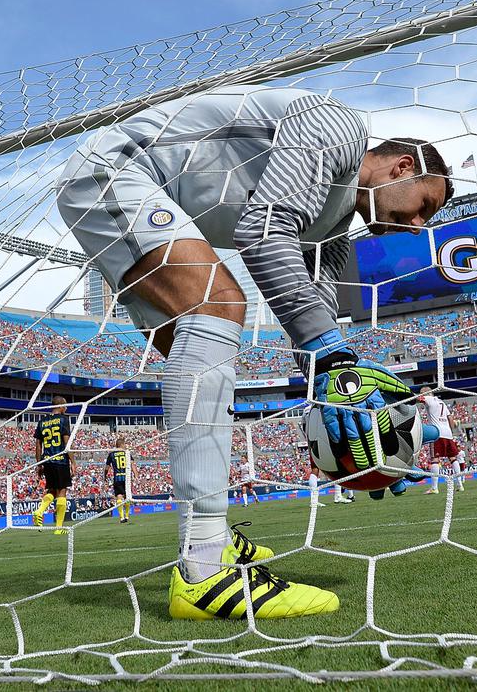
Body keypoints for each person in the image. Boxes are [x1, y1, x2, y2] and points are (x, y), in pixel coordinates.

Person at [55, 83, 452, 619]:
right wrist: (334, 361)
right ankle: (203, 571)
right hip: (115, 172)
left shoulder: (330, 227)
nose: (418, 224)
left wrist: (349, 414)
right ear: (402, 167)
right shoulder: (340, 125)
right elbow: (262, 233)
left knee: (199, 357)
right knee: (218, 306)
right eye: (424, 205)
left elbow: (313, 324)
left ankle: (210, 535)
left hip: (144, 195)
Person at [33, 397, 75, 534]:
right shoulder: (64, 419)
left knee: (52, 490)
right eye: (66, 406)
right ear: (61, 405)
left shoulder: (42, 421)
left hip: (47, 460)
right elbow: (67, 443)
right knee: (62, 491)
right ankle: (58, 528)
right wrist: (73, 462)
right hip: (60, 460)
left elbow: (38, 446)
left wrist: (39, 464)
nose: (67, 408)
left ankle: (39, 511)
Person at [418, 387, 463, 494]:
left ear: (426, 393)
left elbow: (417, 399)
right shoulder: (441, 402)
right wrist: (451, 432)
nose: (421, 395)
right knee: (453, 458)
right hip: (448, 433)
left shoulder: (428, 399)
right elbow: (450, 418)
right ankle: (460, 484)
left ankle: (434, 487)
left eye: (422, 393)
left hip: (436, 432)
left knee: (435, 459)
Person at [105, 436, 130, 523]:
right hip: (126, 478)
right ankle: (127, 516)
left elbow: (107, 467)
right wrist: (136, 473)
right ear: (122, 444)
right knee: (127, 496)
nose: (125, 446)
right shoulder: (126, 452)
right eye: (125, 444)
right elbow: (133, 464)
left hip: (117, 477)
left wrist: (105, 475)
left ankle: (122, 517)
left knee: (119, 496)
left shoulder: (112, 454)